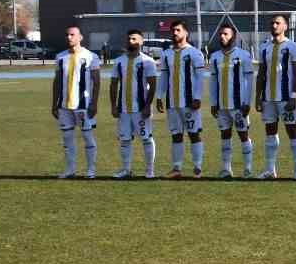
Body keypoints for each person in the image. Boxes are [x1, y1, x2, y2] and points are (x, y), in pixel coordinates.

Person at [156, 18, 208, 178]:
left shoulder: (194, 53)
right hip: (172, 103)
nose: (175, 33)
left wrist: (197, 97)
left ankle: (197, 168)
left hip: (189, 102)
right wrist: (159, 96)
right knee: (176, 135)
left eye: (178, 30)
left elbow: (200, 76)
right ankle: (177, 168)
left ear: (186, 32)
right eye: (173, 30)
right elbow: (164, 76)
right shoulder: (166, 54)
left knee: (193, 134)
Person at [255, 14, 296, 180]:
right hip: (268, 98)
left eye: (278, 23)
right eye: (272, 23)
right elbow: (261, 74)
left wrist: (293, 96)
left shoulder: (293, 47)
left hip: (286, 98)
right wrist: (258, 96)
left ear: (285, 26)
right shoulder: (264, 47)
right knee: (270, 132)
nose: (274, 25)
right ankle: (270, 170)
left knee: (292, 131)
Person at [51, 22, 101, 178]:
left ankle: (91, 170)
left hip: (83, 106)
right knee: (67, 140)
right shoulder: (60, 57)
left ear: (80, 37)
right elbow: (57, 81)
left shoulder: (91, 56)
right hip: (64, 106)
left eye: (72, 34)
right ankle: (70, 169)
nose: (69, 37)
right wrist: (54, 104)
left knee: (87, 137)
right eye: (67, 34)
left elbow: (97, 81)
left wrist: (94, 103)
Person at [108, 27, 157, 179]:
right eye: (129, 39)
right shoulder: (119, 61)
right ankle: (126, 170)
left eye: (134, 39)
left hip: (140, 109)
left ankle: (149, 171)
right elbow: (113, 84)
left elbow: (152, 84)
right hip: (123, 109)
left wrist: (148, 105)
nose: (131, 41)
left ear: (141, 41)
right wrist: (113, 106)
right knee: (124, 140)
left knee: (146, 139)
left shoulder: (147, 61)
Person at [209, 23, 255, 178]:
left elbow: (249, 80)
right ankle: (226, 169)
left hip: (239, 105)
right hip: (222, 106)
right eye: (220, 34)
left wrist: (247, 102)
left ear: (233, 36)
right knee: (225, 136)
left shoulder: (243, 55)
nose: (222, 36)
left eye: (226, 34)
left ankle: (248, 169)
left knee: (243, 135)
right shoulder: (214, 57)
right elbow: (213, 82)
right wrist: (213, 103)